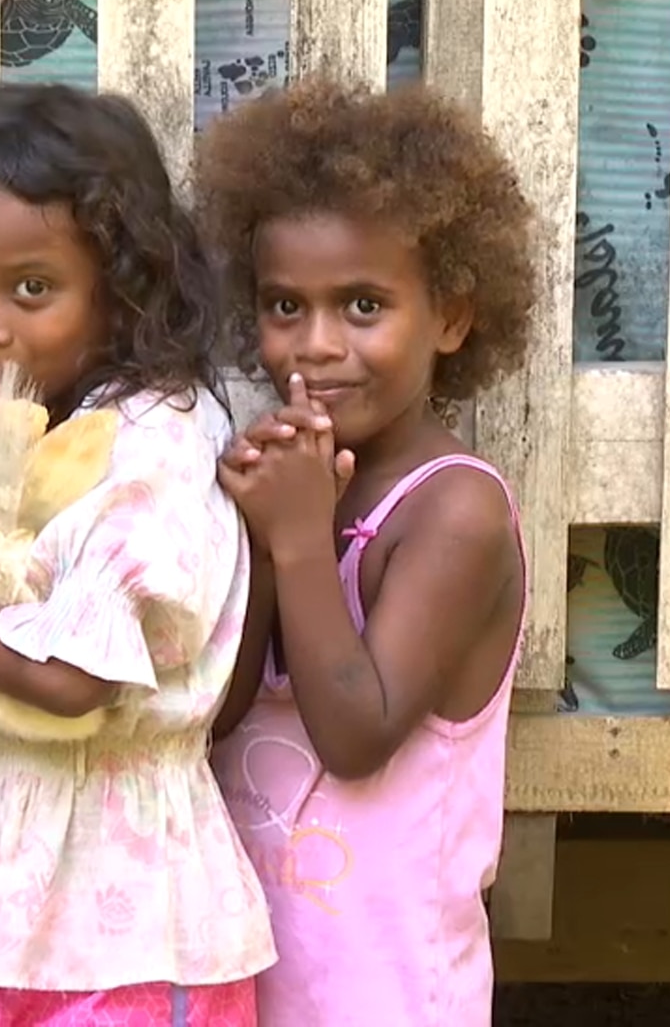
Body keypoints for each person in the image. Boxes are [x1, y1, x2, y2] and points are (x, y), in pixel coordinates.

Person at [0, 83, 273, 1026]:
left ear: (124, 289)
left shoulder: (157, 444)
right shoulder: (18, 432)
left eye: (31, 288)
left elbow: (75, 678)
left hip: (132, 927)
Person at [197, 74, 535, 1025]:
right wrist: (267, 543)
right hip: (244, 975)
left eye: (362, 307)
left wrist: (298, 541)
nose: (315, 346)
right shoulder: (283, 481)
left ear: (453, 318)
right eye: (282, 306)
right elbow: (216, 714)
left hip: (390, 997)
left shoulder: (455, 513)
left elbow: (356, 737)